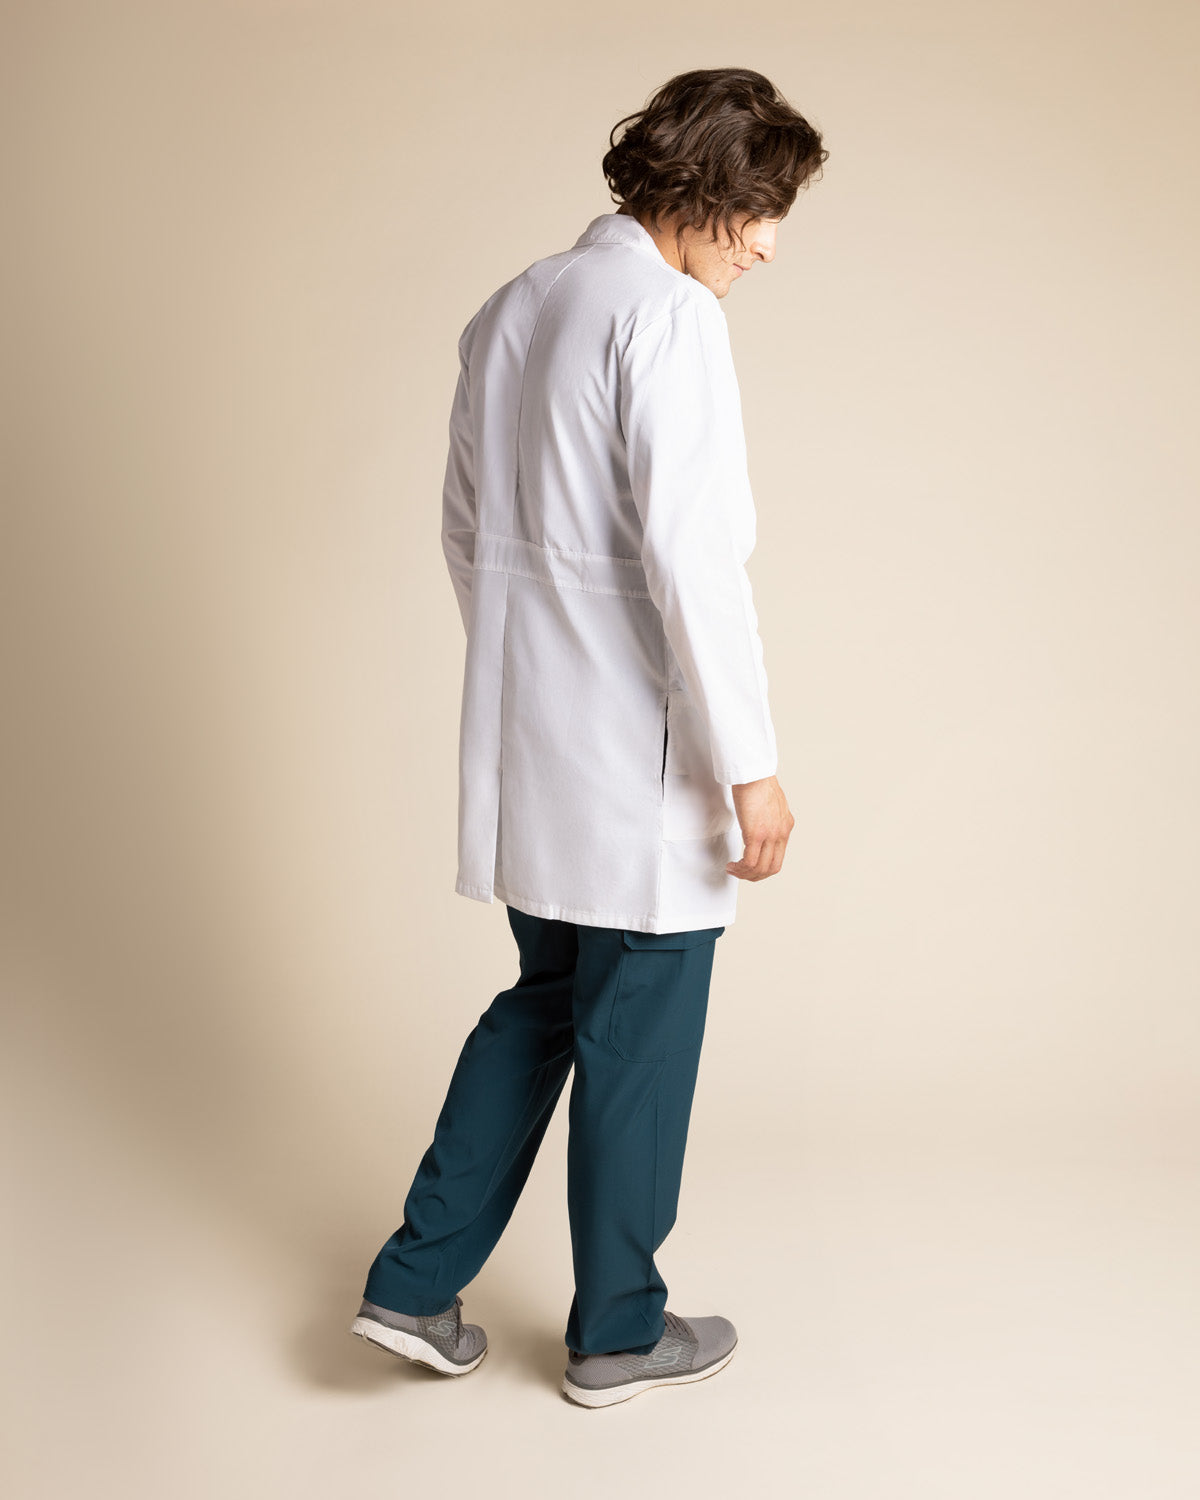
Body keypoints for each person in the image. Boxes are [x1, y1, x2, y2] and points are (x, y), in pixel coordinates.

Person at [350, 66, 827, 1407]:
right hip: (646, 757)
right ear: (703, 191)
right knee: (641, 1039)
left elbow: (465, 533)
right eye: (761, 211)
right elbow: (694, 560)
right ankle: (618, 1329)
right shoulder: (668, 319)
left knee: (547, 1001)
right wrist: (751, 764)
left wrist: (534, 670)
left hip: (531, 747)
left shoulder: (514, 306)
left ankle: (412, 1283)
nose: (769, 246)